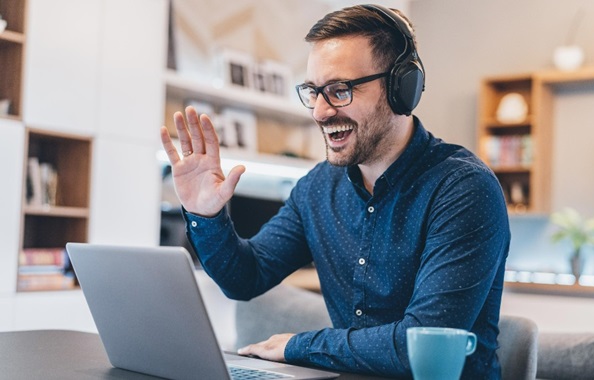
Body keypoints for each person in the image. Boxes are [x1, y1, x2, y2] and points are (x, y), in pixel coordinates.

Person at [160, 4, 510, 379]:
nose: (320, 112)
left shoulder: (464, 190)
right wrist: (206, 215)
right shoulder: (316, 188)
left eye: (340, 90)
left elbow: (419, 344)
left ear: (401, 88)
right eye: (313, 91)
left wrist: (298, 346)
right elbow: (246, 277)